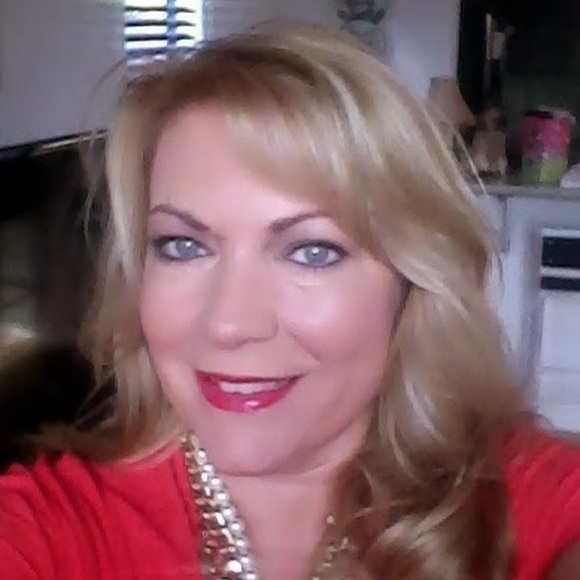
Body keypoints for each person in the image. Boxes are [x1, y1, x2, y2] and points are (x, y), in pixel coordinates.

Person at [0, 23, 579, 580]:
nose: (229, 325)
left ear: (410, 284)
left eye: (312, 252)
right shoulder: (52, 525)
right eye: (183, 245)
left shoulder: (522, 500)